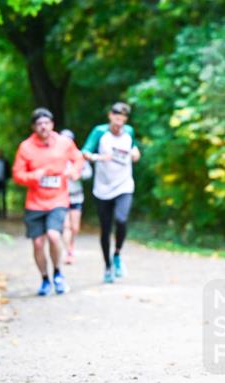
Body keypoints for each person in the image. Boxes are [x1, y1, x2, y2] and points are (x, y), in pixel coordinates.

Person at [12, 107, 85, 296]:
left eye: (46, 123)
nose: (43, 127)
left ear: (52, 124)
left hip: (58, 199)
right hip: (35, 202)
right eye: (39, 124)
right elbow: (17, 174)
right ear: (33, 127)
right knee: (37, 243)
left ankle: (58, 274)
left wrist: (73, 172)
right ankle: (45, 279)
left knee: (54, 235)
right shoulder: (25, 147)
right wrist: (34, 176)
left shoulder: (64, 143)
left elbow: (79, 159)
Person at [82, 102, 141, 283]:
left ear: (125, 118)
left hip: (124, 185)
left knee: (121, 219)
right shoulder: (100, 132)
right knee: (105, 229)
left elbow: (135, 149)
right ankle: (107, 266)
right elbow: (84, 152)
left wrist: (135, 154)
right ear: (110, 115)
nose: (119, 117)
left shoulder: (129, 132)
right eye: (116, 114)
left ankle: (117, 254)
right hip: (103, 189)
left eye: (122, 115)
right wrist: (99, 157)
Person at [60, 129, 93, 264]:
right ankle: (68, 252)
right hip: (60, 196)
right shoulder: (55, 156)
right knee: (65, 226)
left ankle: (71, 246)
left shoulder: (78, 156)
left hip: (76, 196)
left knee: (75, 227)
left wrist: (77, 175)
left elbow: (88, 173)